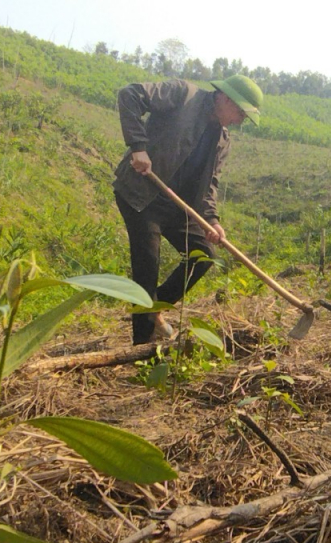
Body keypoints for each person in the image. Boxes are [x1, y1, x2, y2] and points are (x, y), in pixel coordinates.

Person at [113, 75, 263, 344]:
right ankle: (141, 350)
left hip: (177, 205)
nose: (240, 120)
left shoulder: (222, 141)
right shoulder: (183, 94)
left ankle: (154, 309)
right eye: (241, 112)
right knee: (147, 266)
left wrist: (212, 220)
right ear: (225, 98)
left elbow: (209, 186)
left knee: (204, 255)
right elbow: (129, 94)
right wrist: (138, 147)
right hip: (142, 195)